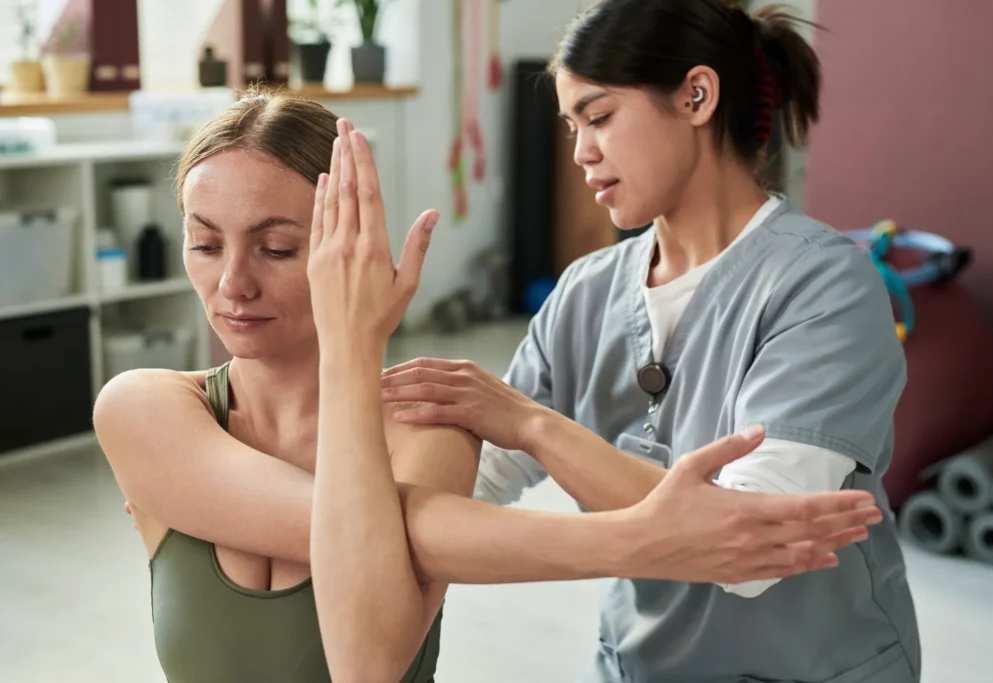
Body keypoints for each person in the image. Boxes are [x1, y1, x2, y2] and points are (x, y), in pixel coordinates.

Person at [95, 90, 881, 683]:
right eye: (204, 244)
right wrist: (638, 537)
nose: (231, 283)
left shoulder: (428, 427)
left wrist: (353, 344)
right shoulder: (145, 409)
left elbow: (367, 662)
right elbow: (365, 527)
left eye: (275, 246)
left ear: (353, 246)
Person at [377, 1, 922, 682]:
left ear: (696, 95)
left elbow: (750, 543)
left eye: (599, 117)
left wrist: (533, 425)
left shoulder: (825, 285)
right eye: (572, 127)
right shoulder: (584, 293)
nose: (580, 152)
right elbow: (477, 476)